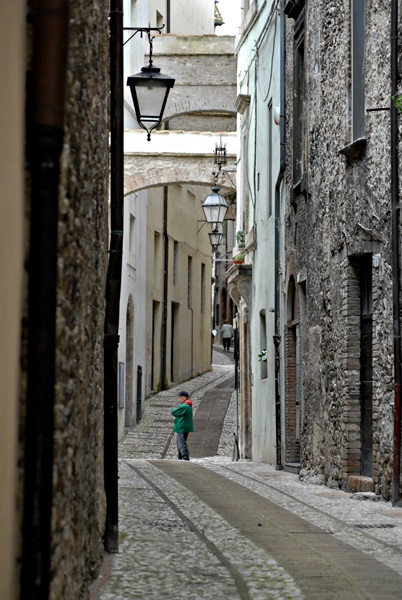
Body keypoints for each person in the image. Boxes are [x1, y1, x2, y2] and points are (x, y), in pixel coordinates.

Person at [171, 391, 194, 460]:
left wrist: (176, 413)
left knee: (181, 442)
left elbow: (173, 412)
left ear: (184, 397)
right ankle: (180, 457)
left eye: (179, 397)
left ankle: (185, 457)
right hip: (184, 426)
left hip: (182, 426)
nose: (178, 398)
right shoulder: (187, 405)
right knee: (180, 442)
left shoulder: (184, 406)